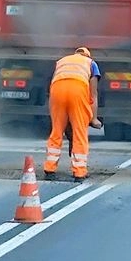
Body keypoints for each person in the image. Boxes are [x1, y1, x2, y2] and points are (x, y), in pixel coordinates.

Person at [44, 47, 102, 183]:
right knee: (79, 132)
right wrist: (93, 118)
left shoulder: (62, 61)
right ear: (87, 55)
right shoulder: (91, 63)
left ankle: (50, 169)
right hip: (78, 90)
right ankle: (79, 172)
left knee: (56, 130)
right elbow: (93, 95)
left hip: (57, 90)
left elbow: (54, 82)